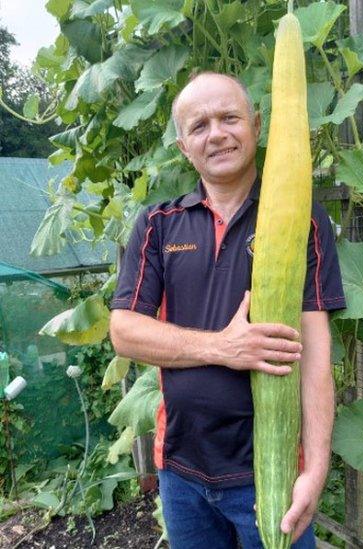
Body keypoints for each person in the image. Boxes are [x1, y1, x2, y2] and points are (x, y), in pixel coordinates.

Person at [109, 71, 345, 549]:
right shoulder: (157, 224)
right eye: (199, 126)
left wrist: (315, 470)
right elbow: (125, 332)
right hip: (179, 471)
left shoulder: (303, 218)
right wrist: (223, 347)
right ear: (183, 147)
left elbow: (317, 357)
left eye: (229, 118)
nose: (216, 133)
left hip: (270, 471)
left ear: (256, 126)